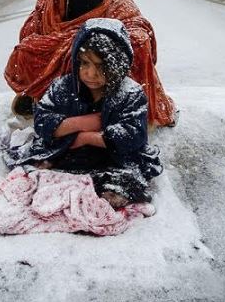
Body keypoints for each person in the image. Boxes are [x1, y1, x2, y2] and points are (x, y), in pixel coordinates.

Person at [4, 0, 177, 127]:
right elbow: (27, 44)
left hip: (106, 87)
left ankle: (113, 109)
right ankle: (46, 98)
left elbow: (139, 32)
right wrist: (70, 47)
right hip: (59, 92)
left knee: (123, 48)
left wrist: (93, 45)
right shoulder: (48, 7)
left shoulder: (116, 4)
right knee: (27, 53)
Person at [23, 18, 163, 208]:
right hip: (68, 153)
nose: (91, 74)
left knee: (127, 180)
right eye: (85, 64)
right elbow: (42, 122)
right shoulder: (63, 87)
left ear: (118, 65)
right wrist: (83, 123)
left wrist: (88, 138)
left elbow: (133, 136)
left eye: (102, 66)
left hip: (113, 158)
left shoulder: (131, 93)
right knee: (34, 172)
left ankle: (107, 191)